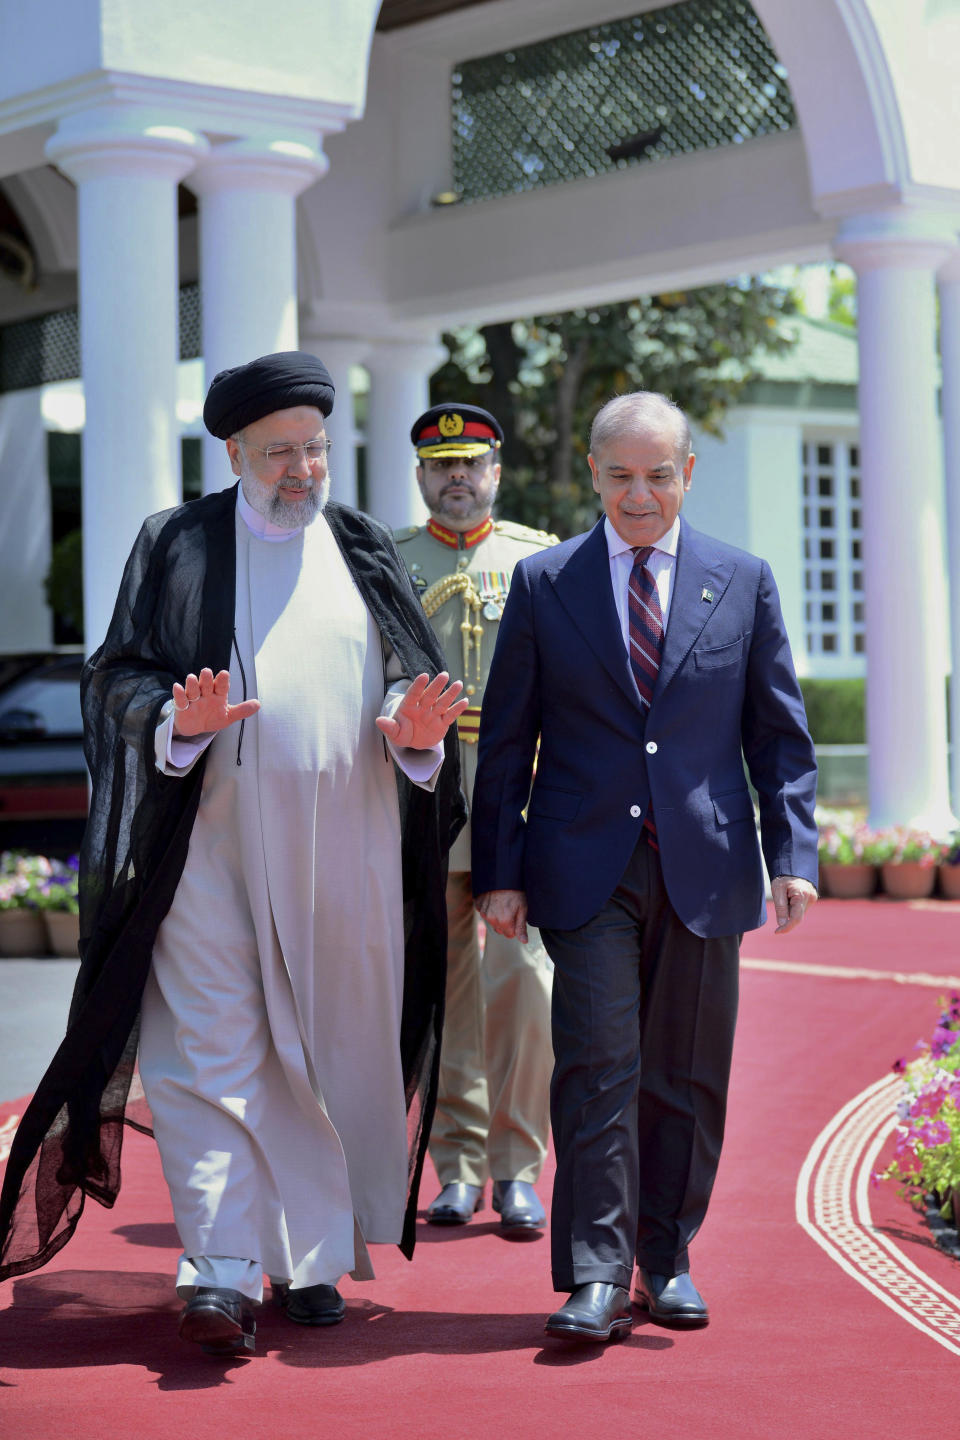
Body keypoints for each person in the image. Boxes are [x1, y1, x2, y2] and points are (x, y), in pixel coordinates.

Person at [0, 352, 468, 1359]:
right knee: (210, 1052)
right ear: (232, 452)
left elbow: (407, 676)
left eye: (314, 449)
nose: (302, 471)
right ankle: (217, 1271)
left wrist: (413, 728)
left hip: (348, 841)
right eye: (279, 454)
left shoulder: (359, 543)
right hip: (207, 847)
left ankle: (309, 1260)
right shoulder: (175, 544)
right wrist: (175, 715)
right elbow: (115, 673)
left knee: (330, 1048)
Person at [471, 391, 818, 1343]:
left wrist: (793, 855)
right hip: (585, 869)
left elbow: (779, 737)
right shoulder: (546, 584)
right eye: (620, 474)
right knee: (596, 1065)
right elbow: (507, 741)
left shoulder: (741, 581)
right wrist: (499, 871)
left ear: (688, 475)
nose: (639, 493)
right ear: (592, 473)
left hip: (704, 864)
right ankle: (593, 1272)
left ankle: (666, 1262)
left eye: (658, 474)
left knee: (687, 1073)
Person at [395, 404, 557, 1232]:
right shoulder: (390, 561)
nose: (457, 479)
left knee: (523, 982)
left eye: (471, 465)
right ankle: (455, 1164)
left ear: (496, 471)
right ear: (421, 475)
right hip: (424, 796)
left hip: (515, 795)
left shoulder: (538, 558)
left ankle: (518, 1163)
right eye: (441, 466)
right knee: (447, 988)